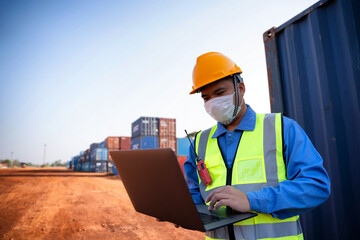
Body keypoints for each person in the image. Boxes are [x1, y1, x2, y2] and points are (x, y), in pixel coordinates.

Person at [184, 52, 331, 240]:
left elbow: (316, 186)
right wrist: (178, 211)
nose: (213, 103)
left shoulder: (282, 128)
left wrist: (251, 200)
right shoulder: (199, 142)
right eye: (206, 98)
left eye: (220, 93)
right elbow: (194, 195)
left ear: (241, 88)